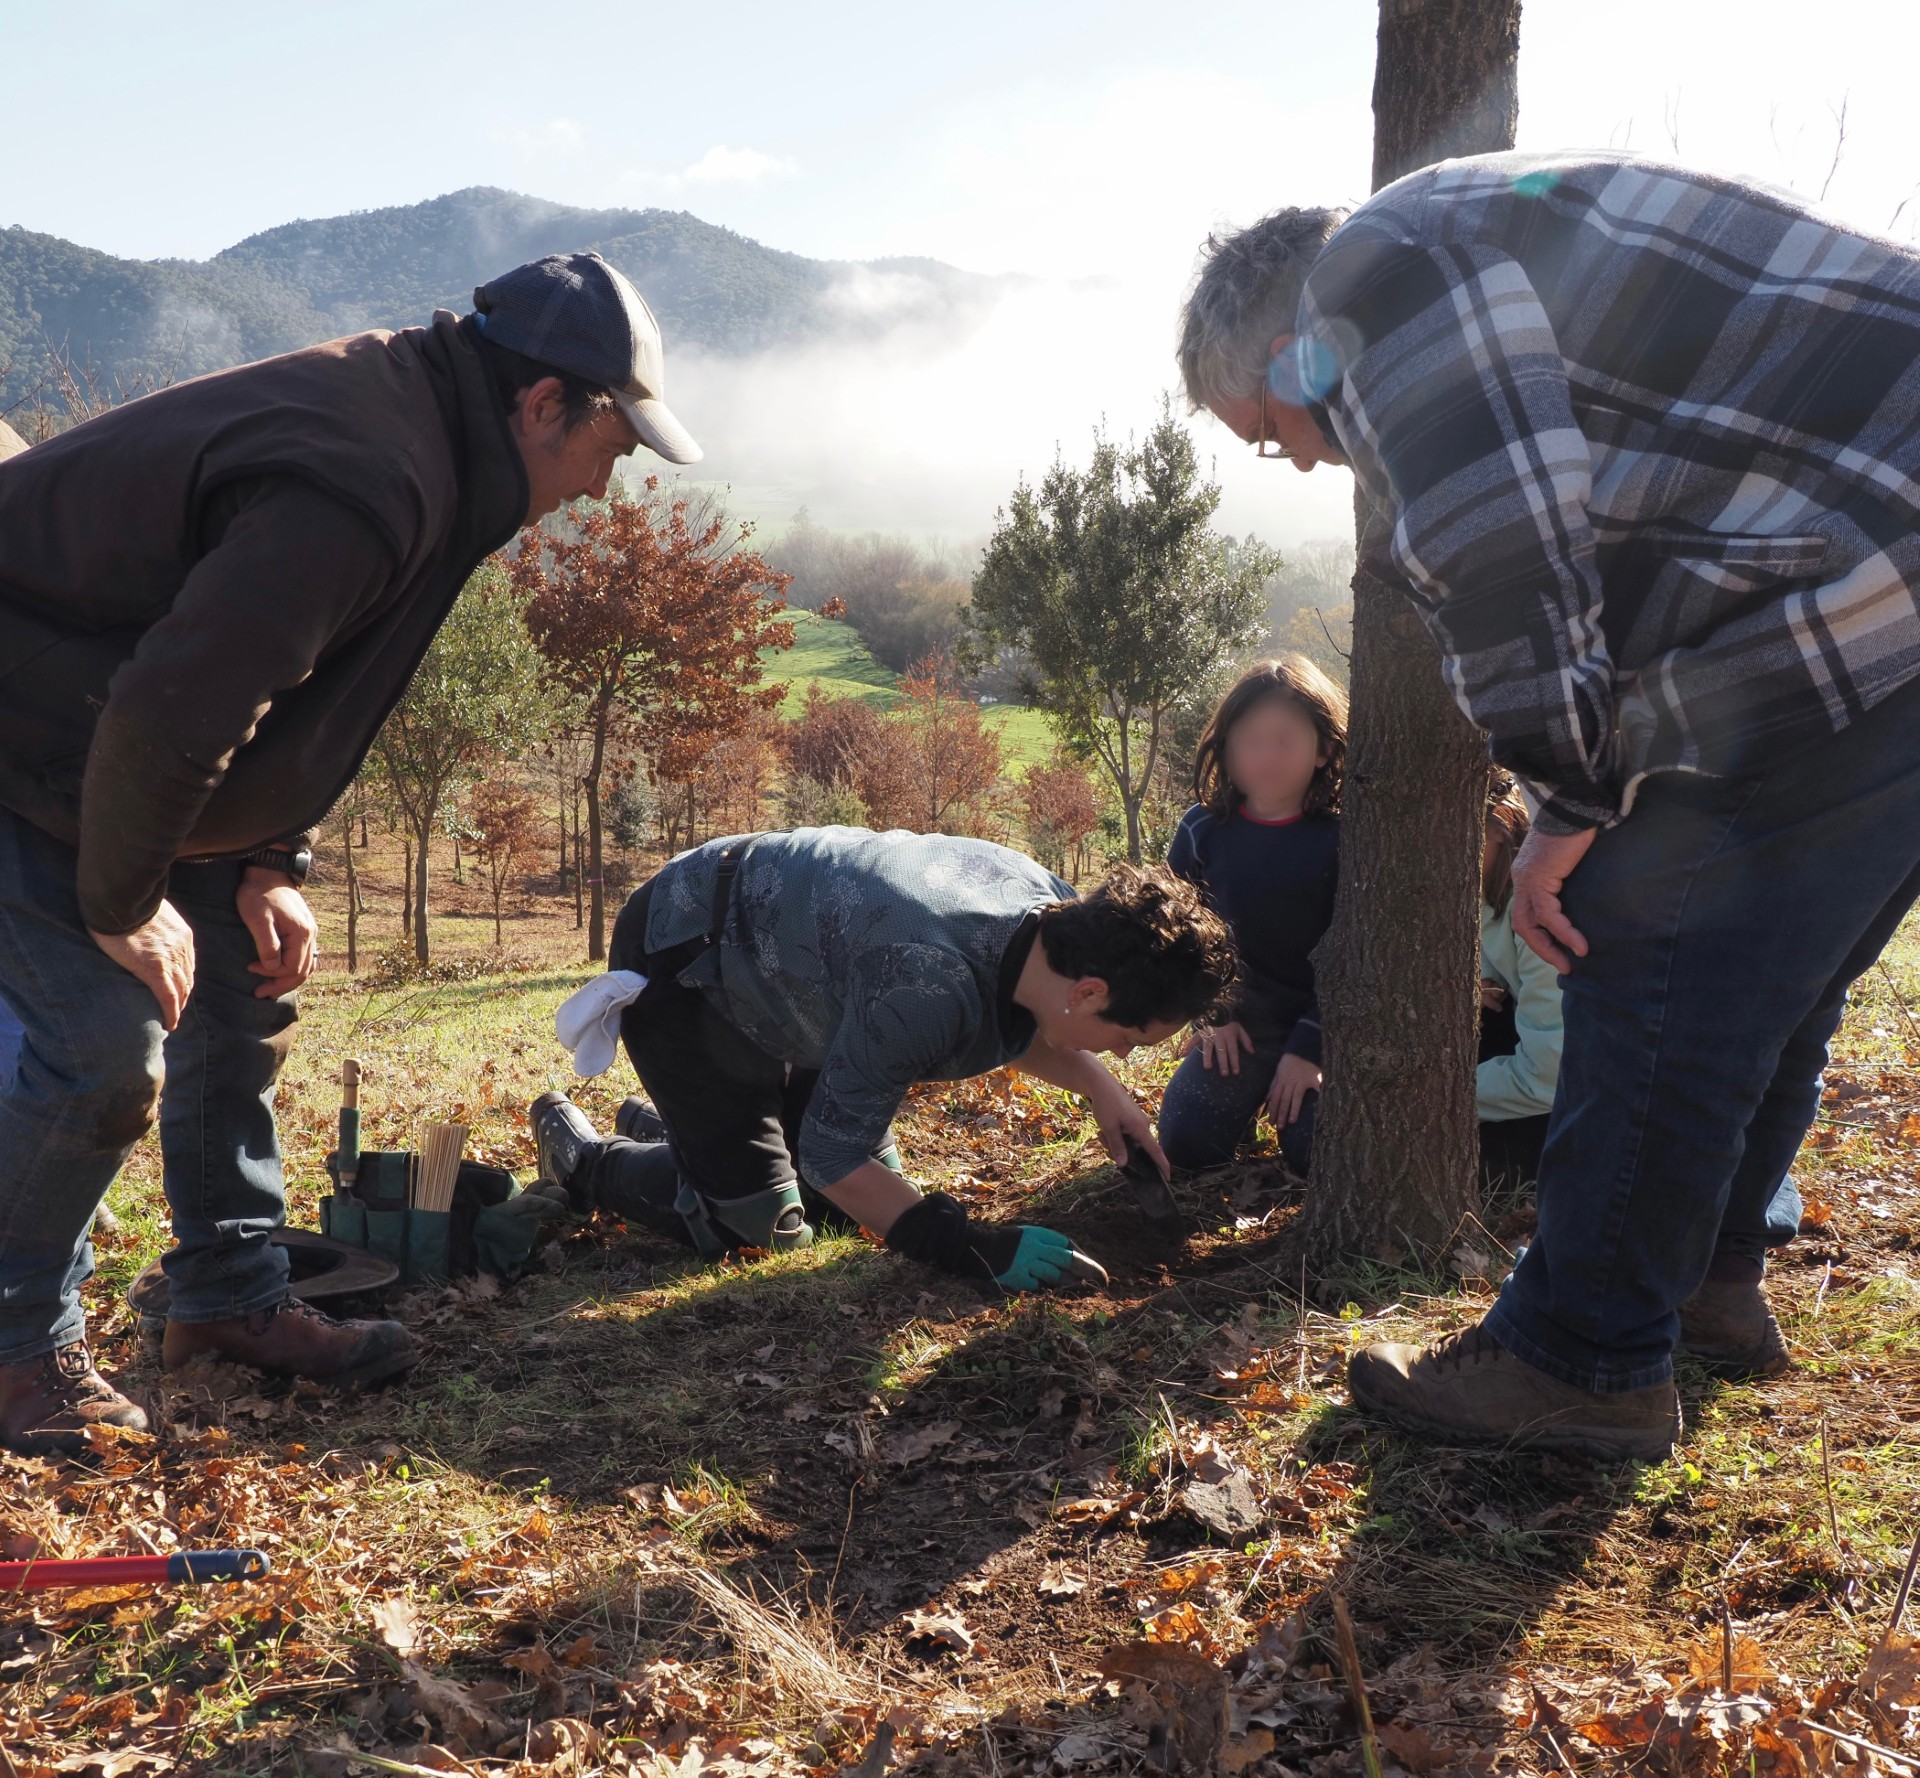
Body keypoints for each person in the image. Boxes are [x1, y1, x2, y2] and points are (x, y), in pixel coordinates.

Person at [1179, 150, 1920, 1459]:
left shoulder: (1379, 282)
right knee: (1776, 977)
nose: (1294, 460)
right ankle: (1707, 1281)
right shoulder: (1478, 222)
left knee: (1642, 939)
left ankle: (1583, 1353)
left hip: (1872, 594)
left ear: (1287, 350)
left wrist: (1568, 810)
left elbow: (1507, 563)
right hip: (1877, 604)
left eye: (1266, 428)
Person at [0, 250, 702, 1456]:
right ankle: (16, 1356)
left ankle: (224, 1296)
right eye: (613, 446)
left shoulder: (427, 444)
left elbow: (302, 681)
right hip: (37, 740)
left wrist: (271, 853)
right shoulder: (371, 474)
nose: (609, 484)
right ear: (542, 405)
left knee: (243, 987)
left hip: (105, 734)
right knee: (100, 1051)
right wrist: (122, 900)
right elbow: (175, 706)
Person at [532, 826, 1237, 1288]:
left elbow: (1026, 1014)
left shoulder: (1056, 913)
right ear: (1090, 992)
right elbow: (834, 1158)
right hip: (690, 963)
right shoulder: (923, 985)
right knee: (760, 1229)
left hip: (811, 976)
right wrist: (973, 1249)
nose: (1124, 1053)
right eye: (1130, 1039)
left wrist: (1098, 1088)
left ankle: (695, 1136)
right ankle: (590, 1159)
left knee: (844, 1216)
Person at [1157, 657, 1343, 1177]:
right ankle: (1242, 1101)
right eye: (1250, 740)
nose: (1267, 756)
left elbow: (1356, 959)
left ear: (1325, 749)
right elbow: (1171, 937)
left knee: (1317, 1155)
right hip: (1240, 1028)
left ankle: (1288, 1103)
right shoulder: (1202, 829)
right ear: (1225, 746)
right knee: (1187, 1144)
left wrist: (1310, 1049)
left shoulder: (1343, 839)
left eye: (1285, 740)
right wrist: (1210, 1014)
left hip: (1327, 1032)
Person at [1474, 777, 1562, 1193]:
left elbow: (1548, 1076)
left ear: (1502, 823)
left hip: (1602, 1086)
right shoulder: (1483, 883)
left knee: (1491, 1171)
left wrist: (1428, 1096)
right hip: (1543, 1068)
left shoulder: (1543, 909)